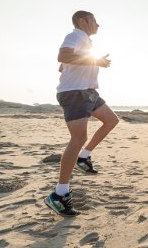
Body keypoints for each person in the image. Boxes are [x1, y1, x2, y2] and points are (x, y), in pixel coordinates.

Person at [44, 11, 119, 216]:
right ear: (82, 21)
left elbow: (63, 67)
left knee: (111, 120)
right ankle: (59, 194)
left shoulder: (85, 42)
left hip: (88, 91)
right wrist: (95, 62)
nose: (98, 24)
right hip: (75, 93)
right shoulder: (75, 35)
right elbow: (62, 56)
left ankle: (83, 158)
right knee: (78, 138)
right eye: (94, 20)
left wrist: (87, 65)